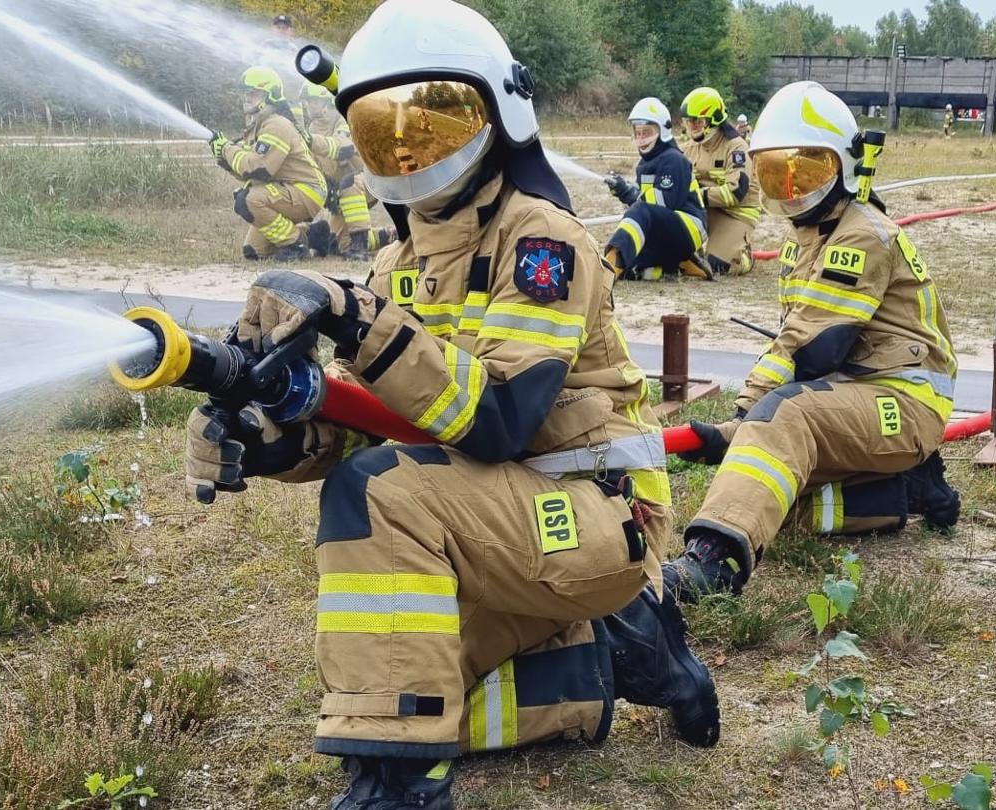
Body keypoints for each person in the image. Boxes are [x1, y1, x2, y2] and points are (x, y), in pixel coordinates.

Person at [192, 2, 720, 806]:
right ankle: (614, 658)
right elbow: (365, 420)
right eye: (381, 130)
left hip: (595, 512)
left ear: (500, 110)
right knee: (386, 682)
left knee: (378, 508)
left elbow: (502, 420)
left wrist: (353, 321)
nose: (407, 148)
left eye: (434, 121)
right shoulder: (396, 262)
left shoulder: (540, 239)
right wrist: (266, 433)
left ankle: (401, 785)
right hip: (491, 525)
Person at [664, 80, 960, 604]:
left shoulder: (861, 235)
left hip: (902, 400)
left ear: (844, 164)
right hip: (856, 393)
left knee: (786, 417)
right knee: (773, 499)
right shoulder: (806, 239)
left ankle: (713, 562)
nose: (793, 187)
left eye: (808, 170)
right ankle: (908, 491)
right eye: (776, 173)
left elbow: (810, 349)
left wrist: (742, 420)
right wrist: (744, 433)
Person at [210, 66, 330, 261]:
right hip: (288, 189)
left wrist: (226, 149)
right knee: (254, 252)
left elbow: (259, 168)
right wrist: (225, 161)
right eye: (245, 94)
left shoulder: (277, 125)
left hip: (307, 191)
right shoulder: (258, 126)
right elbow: (248, 172)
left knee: (248, 199)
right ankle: (313, 234)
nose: (247, 98)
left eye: (253, 93)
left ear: (271, 96)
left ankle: (296, 244)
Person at [603, 97, 709, 281]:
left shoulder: (674, 160)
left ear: (663, 131)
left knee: (625, 249)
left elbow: (665, 202)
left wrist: (630, 194)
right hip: (664, 231)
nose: (642, 138)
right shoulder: (644, 164)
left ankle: (612, 261)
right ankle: (680, 265)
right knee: (631, 263)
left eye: (647, 132)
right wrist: (623, 192)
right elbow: (648, 206)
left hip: (689, 227)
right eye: (638, 133)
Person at [680, 87, 764, 277]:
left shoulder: (736, 148)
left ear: (713, 120)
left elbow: (736, 192)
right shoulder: (689, 148)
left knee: (717, 266)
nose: (692, 127)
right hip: (703, 209)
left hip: (736, 213)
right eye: (688, 121)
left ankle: (743, 255)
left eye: (697, 122)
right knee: (675, 256)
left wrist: (696, 195)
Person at [300, 82, 389, 260]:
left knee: (350, 182)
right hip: (343, 190)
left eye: (314, 101)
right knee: (337, 245)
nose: (309, 105)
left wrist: (311, 141)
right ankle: (387, 236)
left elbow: (344, 147)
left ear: (326, 103)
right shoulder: (312, 128)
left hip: (368, 179)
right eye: (307, 101)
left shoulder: (343, 118)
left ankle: (360, 246)